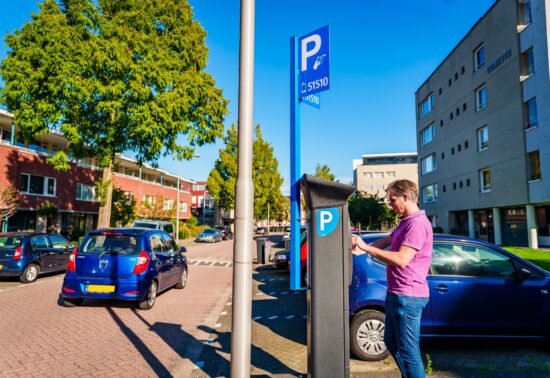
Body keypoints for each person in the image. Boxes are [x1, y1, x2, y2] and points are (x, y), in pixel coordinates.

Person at [351, 179, 433, 378]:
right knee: (391, 343)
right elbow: (388, 240)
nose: (390, 204)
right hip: (396, 293)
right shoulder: (405, 222)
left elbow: (402, 259)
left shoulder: (417, 224)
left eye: (393, 199)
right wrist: (361, 251)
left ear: (405, 197)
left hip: (409, 296)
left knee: (409, 352)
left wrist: (366, 247)